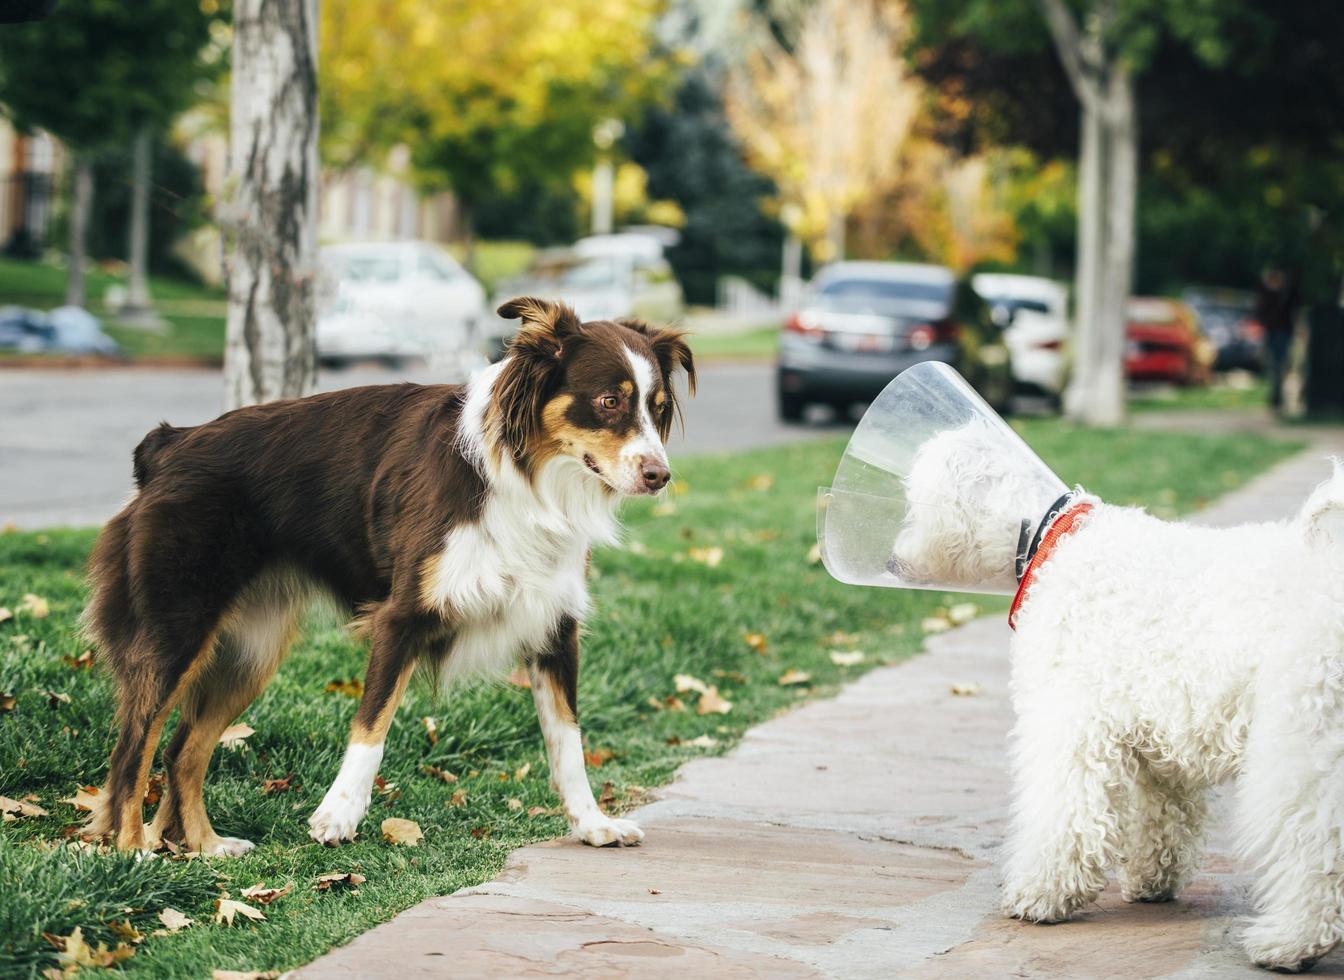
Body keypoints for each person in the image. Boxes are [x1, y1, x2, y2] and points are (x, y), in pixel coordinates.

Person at [1254, 266, 1299, 411]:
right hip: (1273, 332)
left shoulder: (1285, 295)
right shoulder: (1268, 295)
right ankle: (1275, 396)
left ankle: (1278, 396)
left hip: (1283, 333)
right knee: (1274, 366)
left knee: (1280, 365)